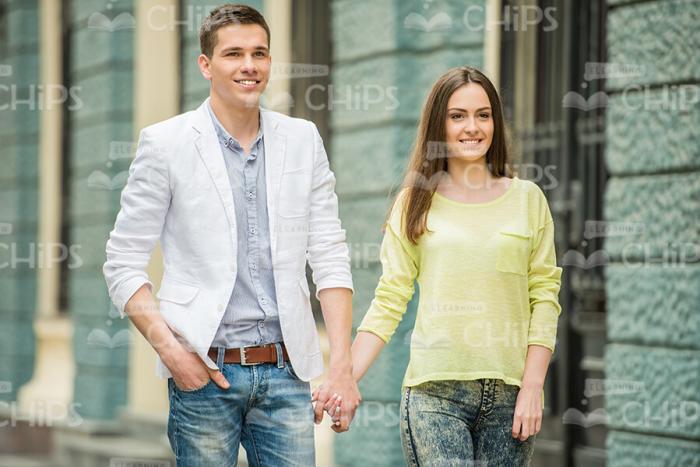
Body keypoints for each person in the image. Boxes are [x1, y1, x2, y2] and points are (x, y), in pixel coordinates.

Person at [103, 4, 359, 466]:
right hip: (205, 371)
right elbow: (122, 262)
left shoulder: (303, 140)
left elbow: (330, 254)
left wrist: (341, 363)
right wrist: (171, 351)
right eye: (233, 54)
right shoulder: (166, 144)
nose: (249, 66)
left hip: (287, 372)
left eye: (259, 53)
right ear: (206, 65)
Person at [322, 66, 562, 466]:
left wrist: (533, 386)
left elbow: (545, 296)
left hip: (510, 398)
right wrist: (345, 375)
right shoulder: (415, 202)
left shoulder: (528, 199)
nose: (472, 127)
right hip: (435, 397)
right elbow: (389, 301)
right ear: (439, 125)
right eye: (458, 116)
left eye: (483, 115)